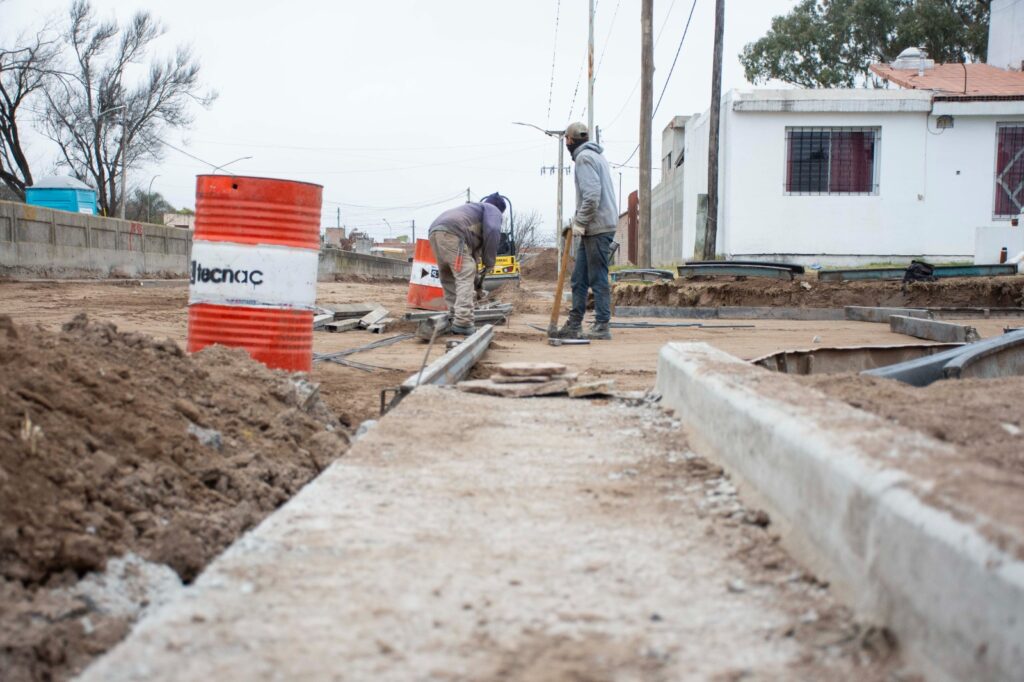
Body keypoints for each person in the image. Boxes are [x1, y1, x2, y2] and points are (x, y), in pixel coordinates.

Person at [554, 122, 619, 340]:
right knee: (579, 278)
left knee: (597, 276)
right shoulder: (596, 156)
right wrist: (577, 223)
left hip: (597, 226)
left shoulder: (584, 159)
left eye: (566, 141)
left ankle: (602, 325)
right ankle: (574, 324)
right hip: (594, 226)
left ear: (570, 140)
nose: (567, 145)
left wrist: (579, 222)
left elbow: (592, 196)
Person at [427, 192, 505, 335]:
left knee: (448, 275)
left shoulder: (471, 214)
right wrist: (489, 262)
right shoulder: (493, 209)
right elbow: (493, 231)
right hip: (454, 232)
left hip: (435, 231)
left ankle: (454, 315)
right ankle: (463, 321)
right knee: (465, 273)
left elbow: (472, 256)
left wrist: (477, 282)